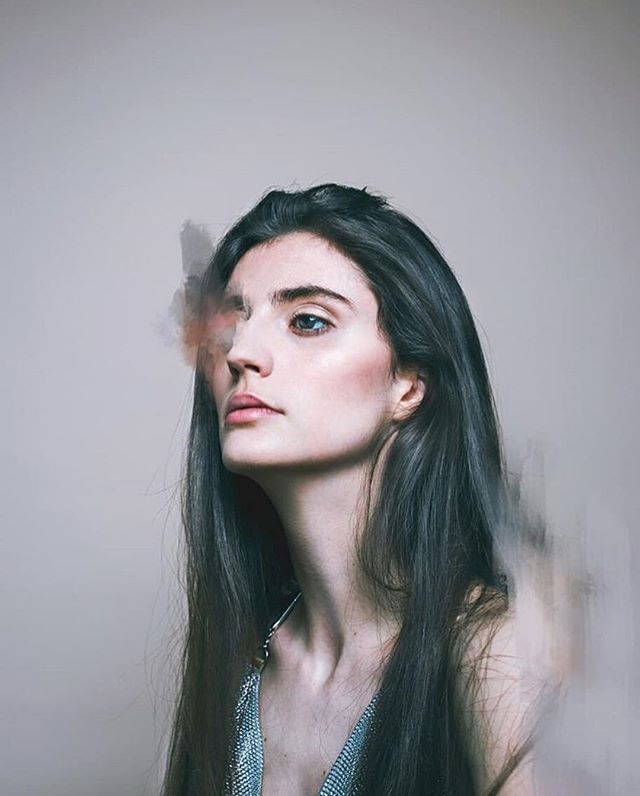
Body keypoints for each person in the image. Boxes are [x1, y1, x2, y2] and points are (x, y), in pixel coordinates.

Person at [161, 183, 555, 795]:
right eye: (228, 330)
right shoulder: (238, 666)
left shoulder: (500, 661)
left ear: (408, 385)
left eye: (308, 321)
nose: (241, 353)